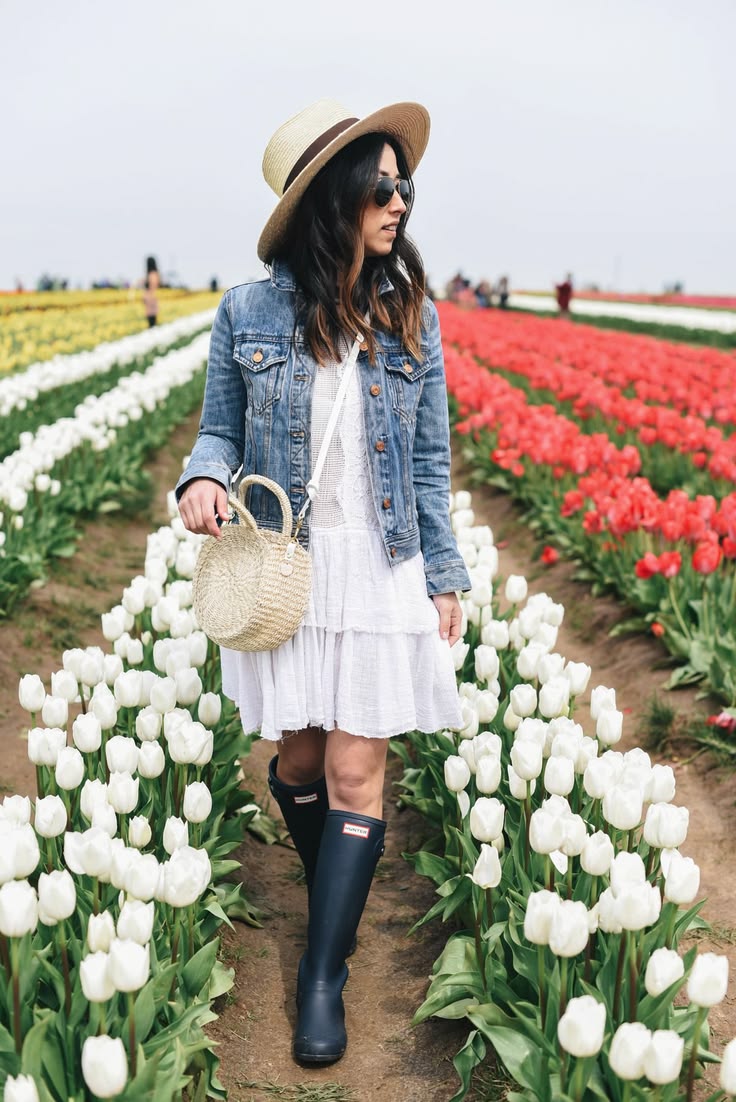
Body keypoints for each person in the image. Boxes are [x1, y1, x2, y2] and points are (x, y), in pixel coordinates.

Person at [176, 98, 470, 1066]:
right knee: (299, 764)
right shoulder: (247, 311)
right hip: (291, 561)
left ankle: (323, 969)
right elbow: (218, 424)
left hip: (381, 564)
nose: (399, 201)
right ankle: (330, 894)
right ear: (333, 198)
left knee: (356, 768)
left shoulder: (408, 316)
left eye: (404, 184)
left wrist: (443, 575)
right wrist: (204, 476)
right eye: (381, 185)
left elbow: (427, 464)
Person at [143, 256, 160, 326]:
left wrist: (146, 296)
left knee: (151, 321)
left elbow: (152, 287)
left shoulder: (152, 274)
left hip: (151, 300)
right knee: (152, 320)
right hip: (152, 299)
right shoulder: (155, 274)